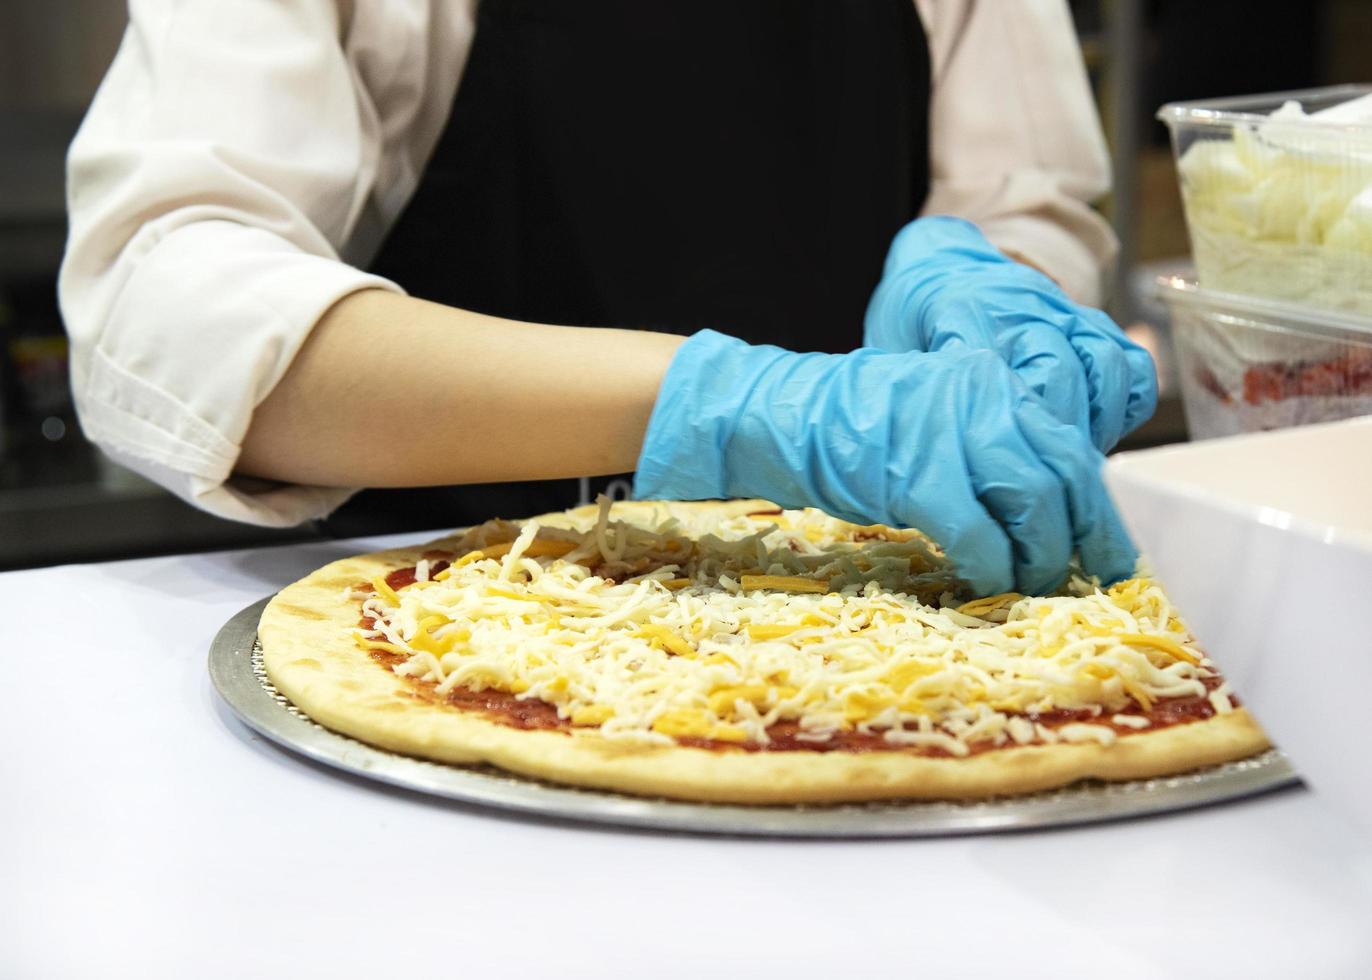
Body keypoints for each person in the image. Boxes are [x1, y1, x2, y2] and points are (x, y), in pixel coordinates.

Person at [59, 0, 1156, 596]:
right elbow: (169, 300)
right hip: (474, 610)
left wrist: (992, 291)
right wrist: (733, 400)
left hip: (878, 599)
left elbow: (1028, 205)